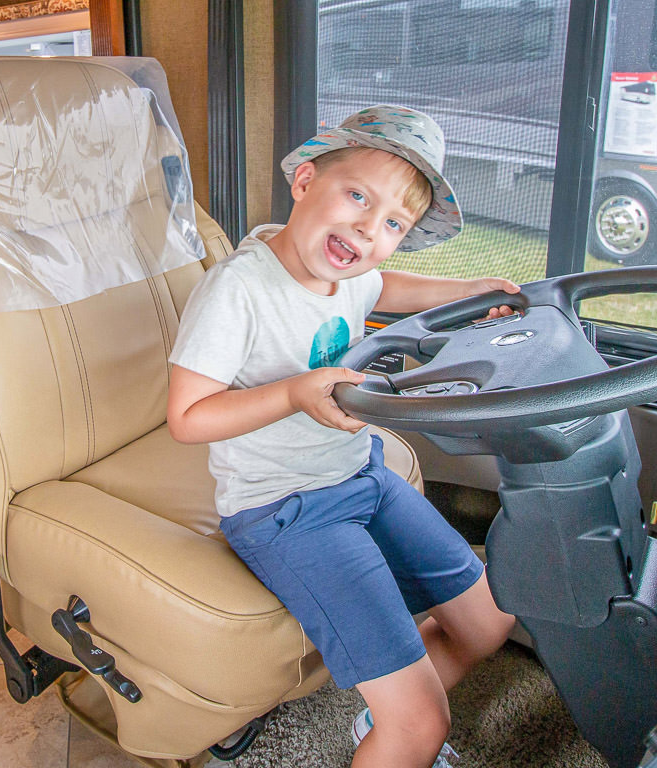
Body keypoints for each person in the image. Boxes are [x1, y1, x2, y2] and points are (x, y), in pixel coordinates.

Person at [167, 105, 517, 768]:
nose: (367, 227)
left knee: (490, 620)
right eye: (357, 196)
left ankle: (380, 733)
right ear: (304, 182)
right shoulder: (238, 290)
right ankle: (404, 733)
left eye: (393, 223)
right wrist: (294, 393)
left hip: (361, 476)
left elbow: (388, 285)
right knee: (423, 723)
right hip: (284, 508)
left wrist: (470, 289)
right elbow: (188, 417)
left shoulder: (348, 273)